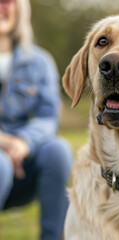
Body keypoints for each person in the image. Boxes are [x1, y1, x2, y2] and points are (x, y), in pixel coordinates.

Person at [0, 0, 72, 239]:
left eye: (7, 1)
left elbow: (47, 117)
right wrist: (5, 143)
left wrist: (23, 143)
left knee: (58, 150)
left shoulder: (40, 62)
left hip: (22, 167)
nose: (2, 7)